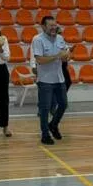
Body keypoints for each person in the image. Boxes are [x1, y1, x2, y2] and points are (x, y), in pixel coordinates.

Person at [32, 16, 69, 145]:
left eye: (55, 25)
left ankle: (53, 124)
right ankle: (45, 134)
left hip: (59, 78)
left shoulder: (60, 38)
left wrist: (66, 56)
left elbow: (64, 57)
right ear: (43, 27)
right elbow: (40, 60)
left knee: (63, 104)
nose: (54, 28)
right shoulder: (38, 39)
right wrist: (57, 56)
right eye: (51, 25)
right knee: (45, 108)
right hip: (45, 80)